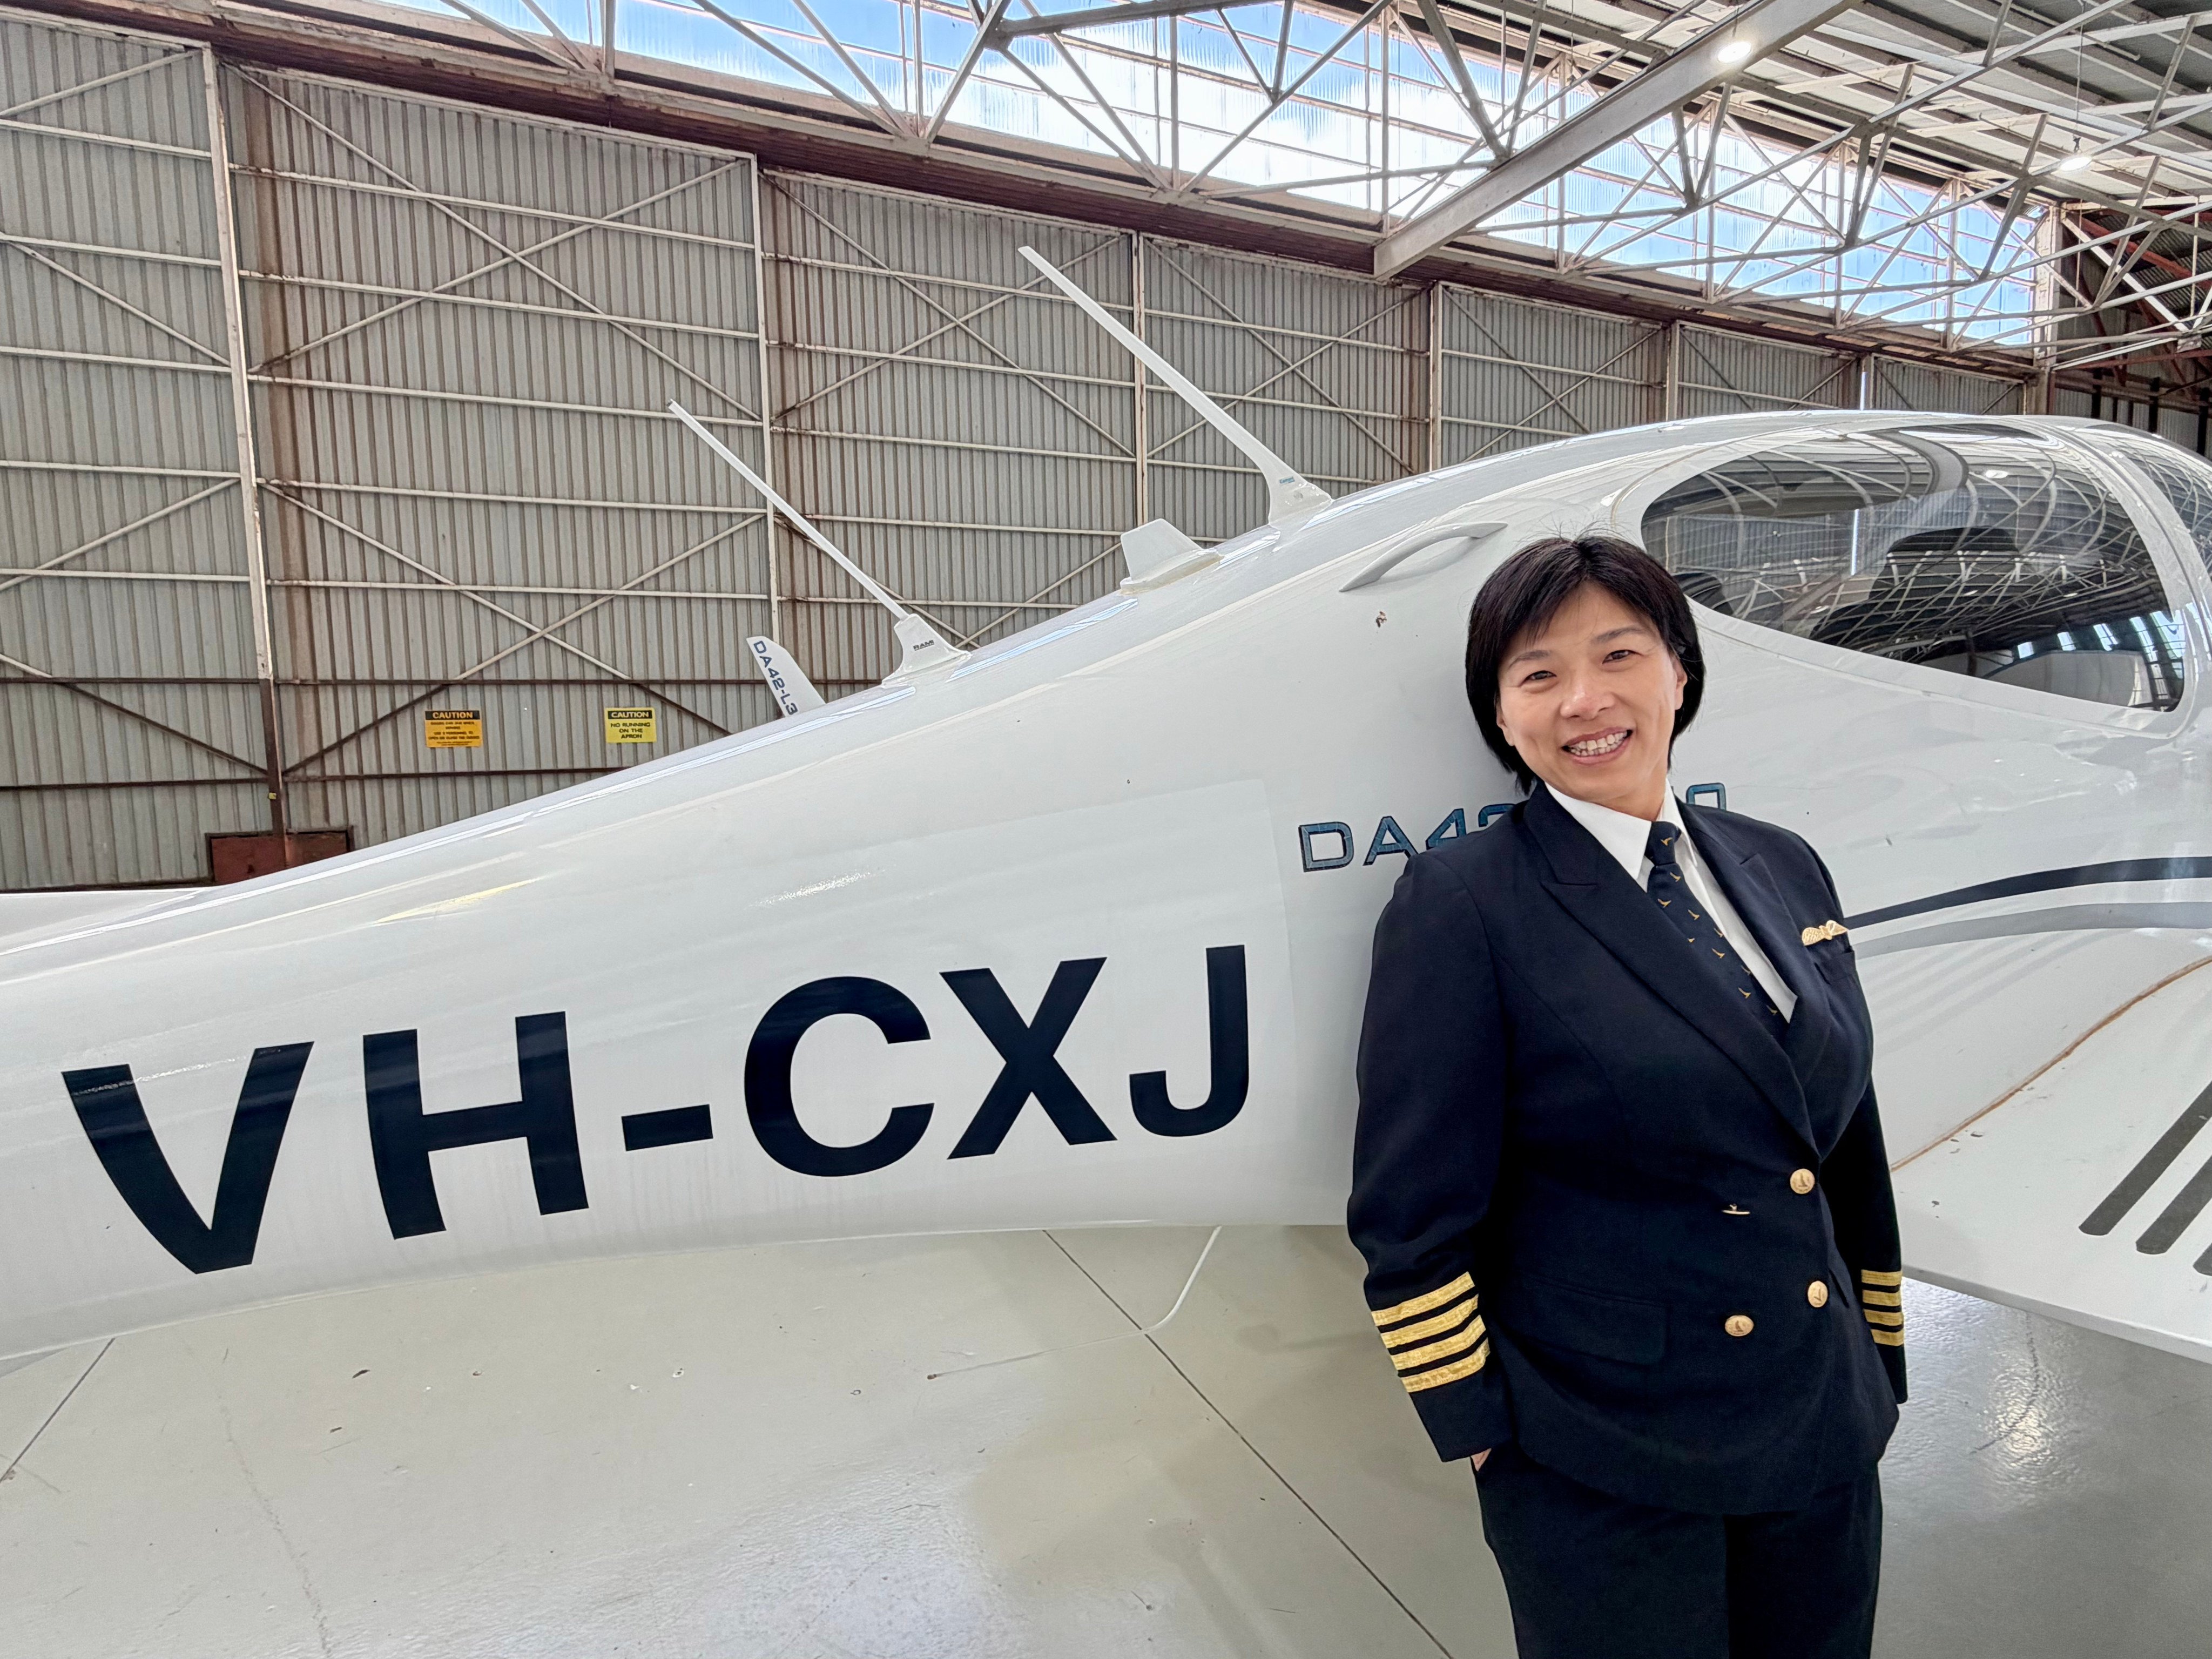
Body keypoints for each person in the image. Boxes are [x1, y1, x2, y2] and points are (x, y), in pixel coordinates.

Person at [1346, 534, 1907, 1659]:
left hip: (1815, 1414)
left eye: (1620, 654)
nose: (1584, 700)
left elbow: (1840, 1137)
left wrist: (1875, 1356)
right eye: (1537, 674)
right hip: (1603, 1442)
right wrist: (1479, 1427)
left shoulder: (1781, 861)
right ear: (1498, 715)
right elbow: (1409, 1207)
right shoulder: (1463, 903)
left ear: (1679, 674)